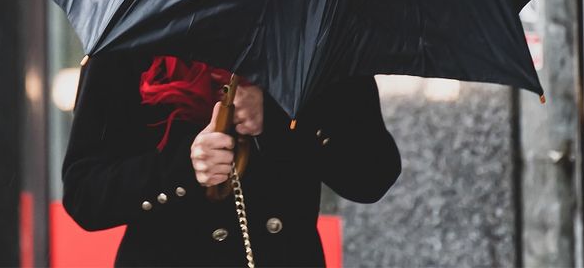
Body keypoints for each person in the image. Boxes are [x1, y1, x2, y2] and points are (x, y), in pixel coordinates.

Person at [62, 51, 401, 267]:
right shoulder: (132, 42)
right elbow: (85, 196)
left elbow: (371, 176)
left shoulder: (315, 37)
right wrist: (183, 168)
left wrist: (281, 118)